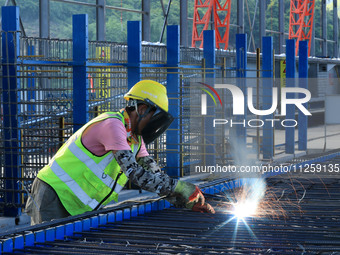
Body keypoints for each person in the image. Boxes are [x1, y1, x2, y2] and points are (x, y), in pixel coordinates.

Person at [25, 80, 215, 225]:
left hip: (76, 203)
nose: (154, 124)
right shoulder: (113, 125)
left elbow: (154, 174)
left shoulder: (135, 139)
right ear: (142, 109)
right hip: (53, 193)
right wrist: (179, 186)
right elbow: (135, 174)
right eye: (153, 117)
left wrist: (183, 200)